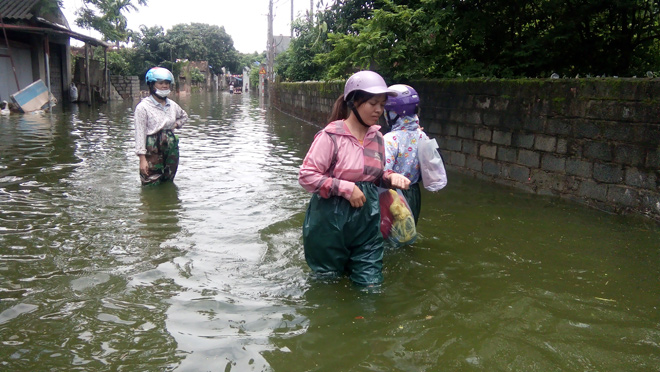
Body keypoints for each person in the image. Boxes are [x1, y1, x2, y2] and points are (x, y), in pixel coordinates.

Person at [298, 70, 411, 287]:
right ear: (354, 103)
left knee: (371, 284)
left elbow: (374, 176)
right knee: (327, 283)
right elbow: (307, 176)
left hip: (367, 222)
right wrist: (345, 188)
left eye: (382, 104)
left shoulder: (377, 137)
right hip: (329, 223)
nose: (379, 110)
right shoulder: (330, 137)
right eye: (372, 103)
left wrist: (390, 177)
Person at [134, 67, 188, 186]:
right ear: (152, 85)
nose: (164, 86)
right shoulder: (143, 107)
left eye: (167, 83)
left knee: (168, 181)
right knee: (150, 182)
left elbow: (184, 116)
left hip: (170, 146)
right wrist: (142, 159)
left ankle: (168, 203)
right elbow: (140, 133)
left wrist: (175, 124)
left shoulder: (172, 105)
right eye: (161, 83)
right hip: (152, 147)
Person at [383, 84, 427, 225]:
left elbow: (383, 172)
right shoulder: (423, 136)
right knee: (409, 231)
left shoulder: (390, 139)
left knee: (389, 235)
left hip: (393, 195)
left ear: (393, 114)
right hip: (413, 192)